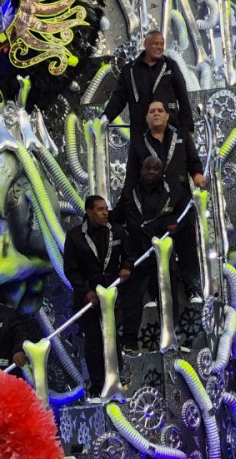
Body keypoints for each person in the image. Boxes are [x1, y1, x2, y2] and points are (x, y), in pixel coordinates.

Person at [124, 100, 205, 302]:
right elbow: (131, 176)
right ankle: (154, 294)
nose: (156, 113)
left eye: (160, 110)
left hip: (180, 198)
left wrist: (197, 175)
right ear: (146, 117)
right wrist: (126, 203)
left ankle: (193, 288)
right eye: (152, 111)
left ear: (167, 115)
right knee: (150, 246)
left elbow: (193, 161)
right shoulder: (138, 142)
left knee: (186, 243)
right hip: (152, 201)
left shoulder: (181, 135)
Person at [115, 156, 190, 350]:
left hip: (161, 255)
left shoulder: (172, 192)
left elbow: (184, 214)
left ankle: (171, 337)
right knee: (132, 298)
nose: (151, 172)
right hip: (136, 255)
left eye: (155, 169)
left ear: (161, 171)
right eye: (147, 168)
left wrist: (173, 225)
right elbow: (118, 217)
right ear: (141, 170)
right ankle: (130, 341)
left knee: (168, 297)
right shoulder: (130, 192)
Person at [62, 194, 131, 394]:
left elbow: (129, 255)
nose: (105, 213)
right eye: (100, 210)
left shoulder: (116, 231)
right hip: (88, 299)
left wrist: (127, 267)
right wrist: (86, 291)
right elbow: (71, 270)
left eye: (106, 209)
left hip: (113, 295)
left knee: (113, 338)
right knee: (94, 341)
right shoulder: (75, 236)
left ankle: (117, 380)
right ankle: (97, 385)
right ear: (89, 212)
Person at [103, 30, 195, 140]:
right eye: (156, 43)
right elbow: (119, 98)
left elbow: (183, 97)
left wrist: (187, 129)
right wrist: (106, 116)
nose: (159, 47)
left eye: (162, 44)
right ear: (146, 44)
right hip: (140, 132)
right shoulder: (130, 70)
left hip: (168, 131)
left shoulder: (170, 66)